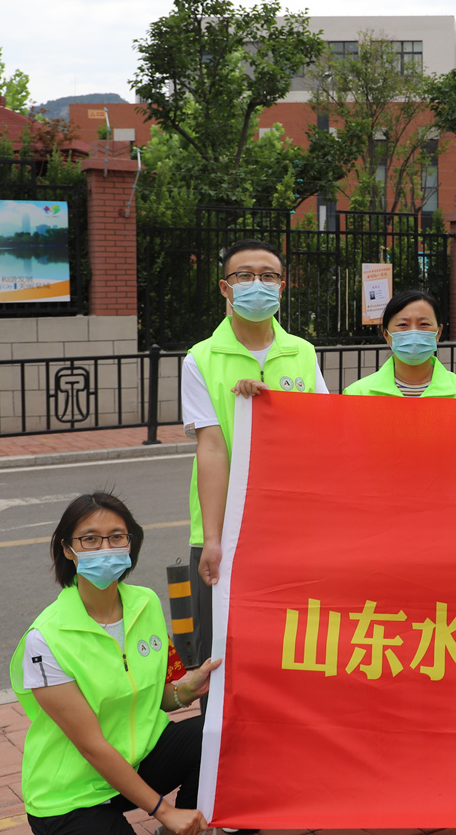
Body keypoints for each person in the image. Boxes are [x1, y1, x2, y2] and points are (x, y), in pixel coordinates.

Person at [11, 492, 222, 835]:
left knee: (220, 736)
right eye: (90, 539)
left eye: (116, 536)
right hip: (74, 792)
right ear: (68, 549)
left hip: (139, 760)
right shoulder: (45, 639)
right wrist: (165, 811)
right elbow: (91, 746)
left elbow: (151, 697)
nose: (105, 548)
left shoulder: (145, 603)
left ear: (130, 542)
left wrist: (187, 691)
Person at [184, 239, 328, 666]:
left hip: (290, 528)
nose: (257, 284)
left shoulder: (302, 352)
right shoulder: (201, 358)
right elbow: (212, 449)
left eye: (268, 276)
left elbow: (320, 432)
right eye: (244, 276)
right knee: (219, 654)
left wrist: (275, 408)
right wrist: (212, 539)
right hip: (225, 531)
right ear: (225, 288)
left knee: (290, 648)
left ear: (282, 287)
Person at [344, 289, 456, 398]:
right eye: (403, 325)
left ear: (438, 333)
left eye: (424, 324)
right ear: (386, 334)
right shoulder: (356, 394)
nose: (414, 332)